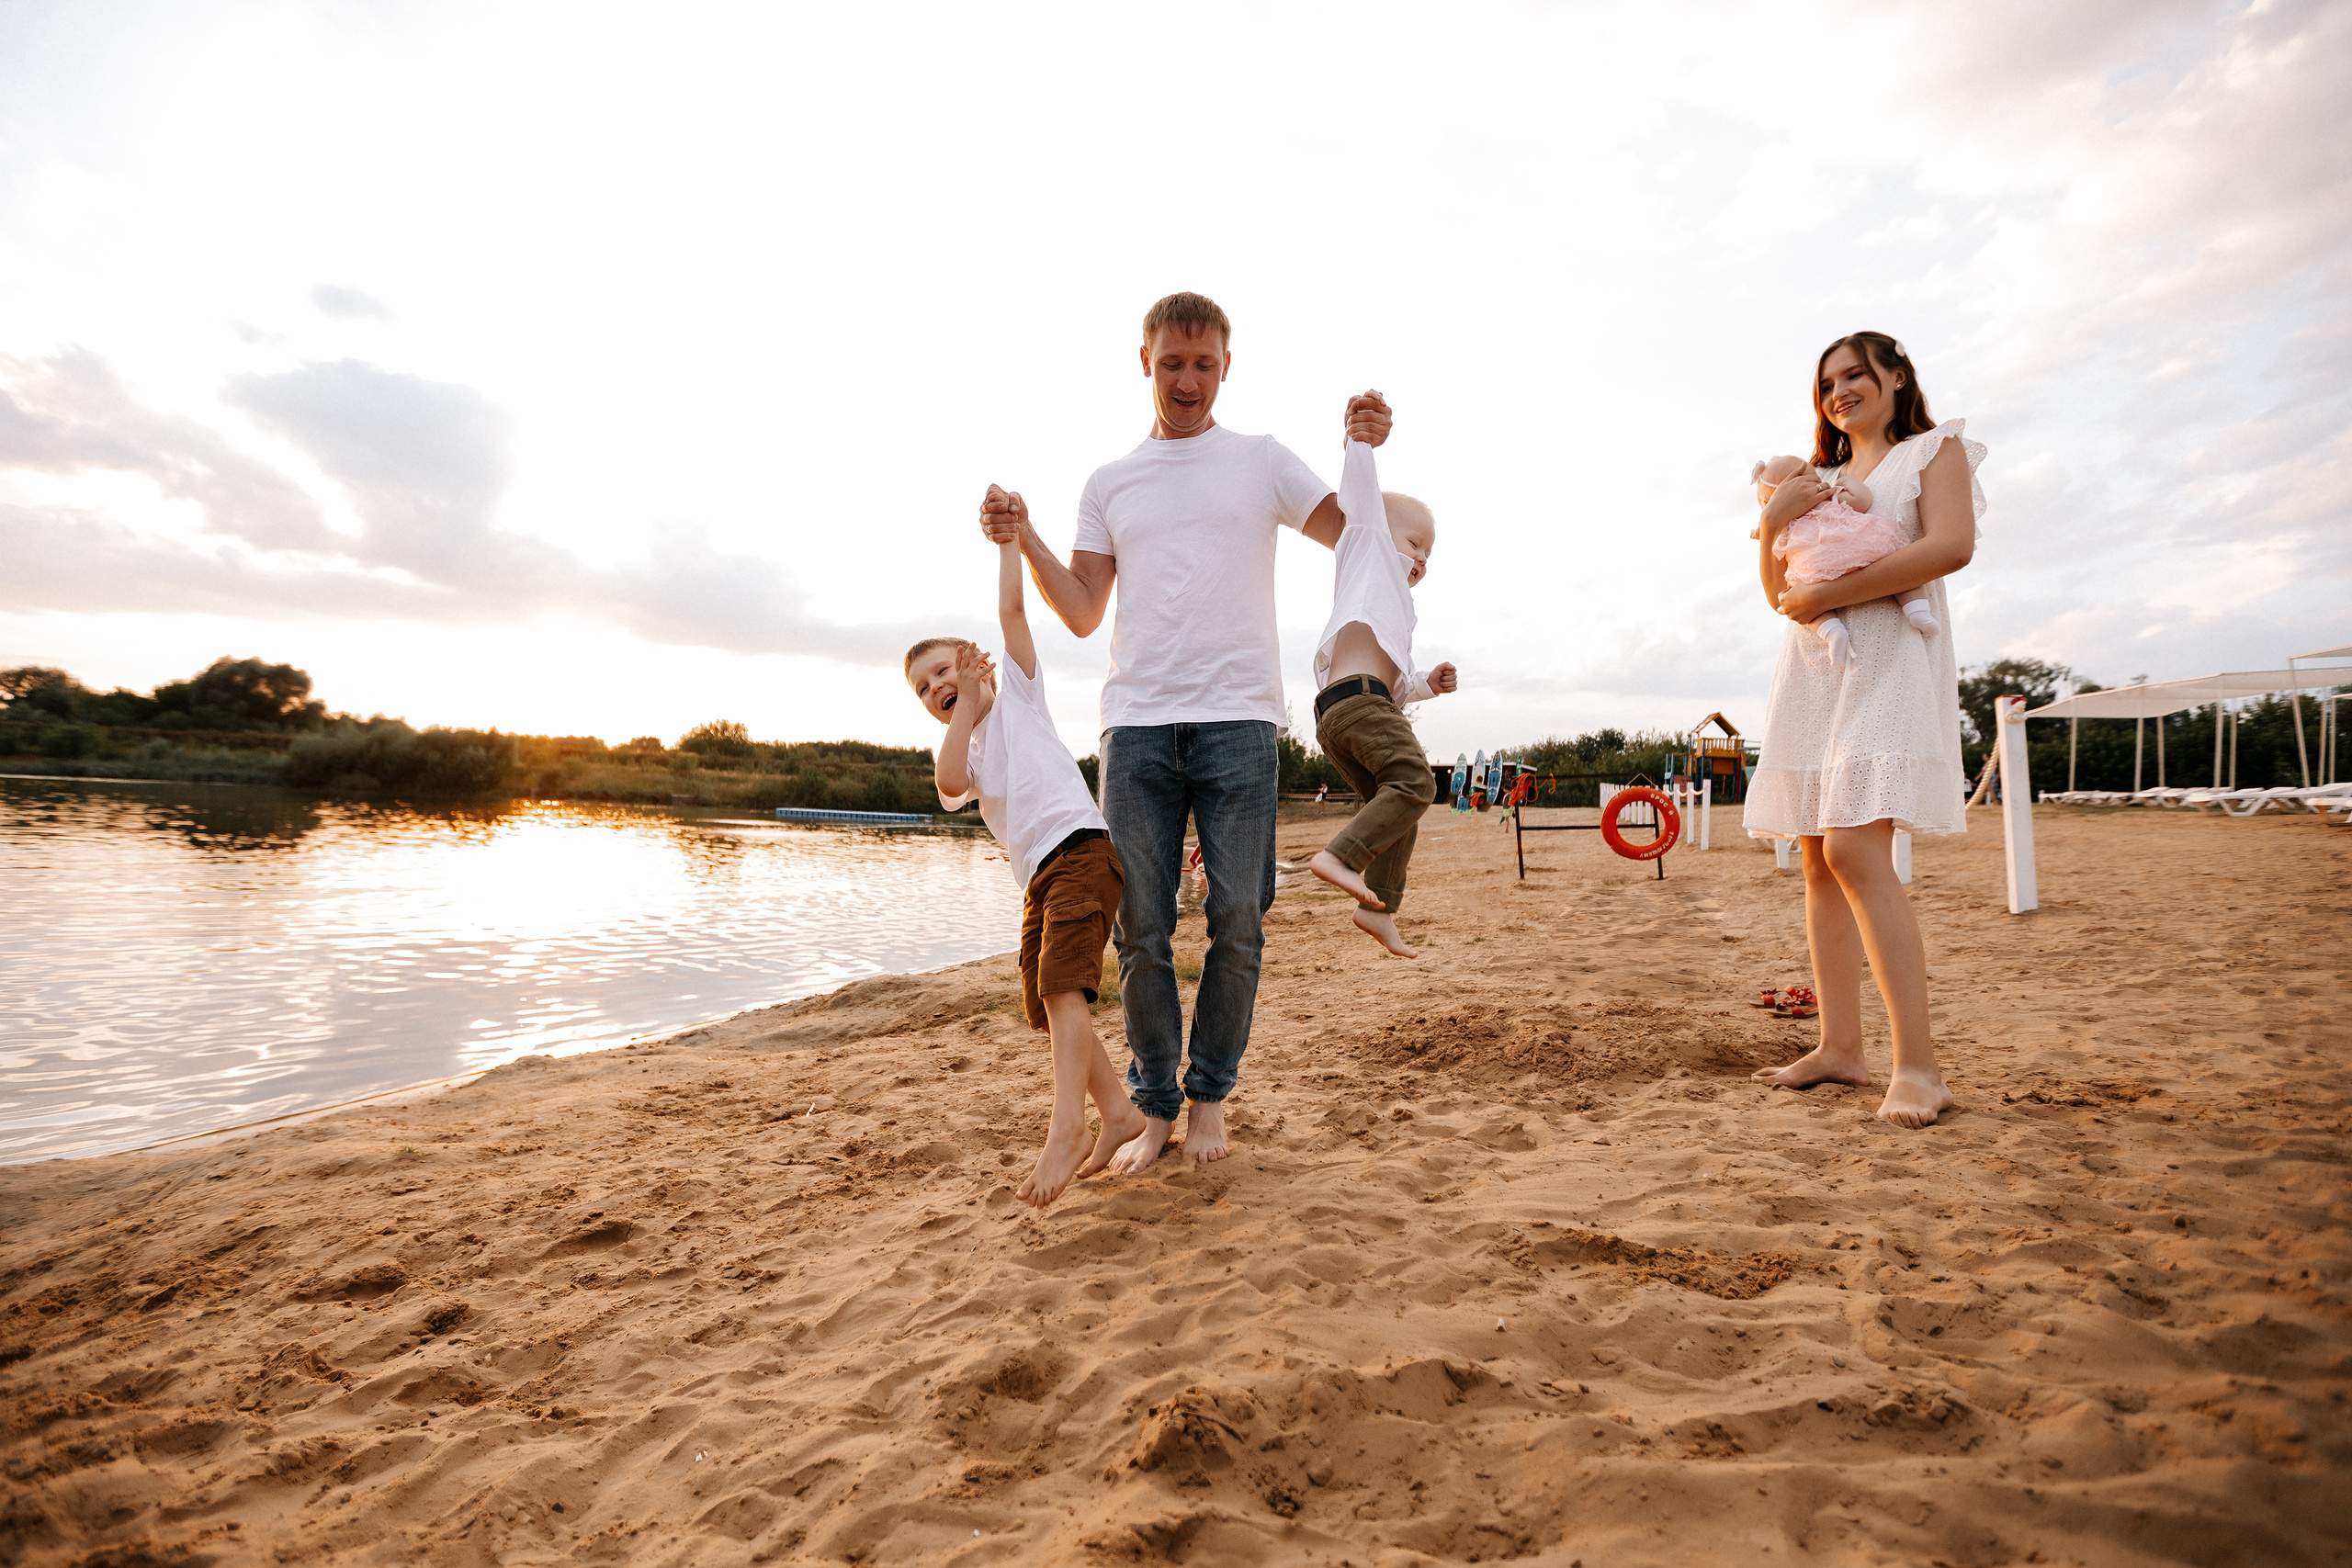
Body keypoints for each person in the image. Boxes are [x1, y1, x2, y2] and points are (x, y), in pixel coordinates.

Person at [979, 290, 1390, 1170]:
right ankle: (1154, 1105)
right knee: (1141, 928)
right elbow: (1085, 610)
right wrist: (1030, 536)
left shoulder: (1262, 460)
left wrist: (1360, 450)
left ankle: (1209, 1097)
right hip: (1135, 729)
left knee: (1241, 915)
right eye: (1172, 362)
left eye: (1204, 364)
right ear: (1145, 363)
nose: (1188, 379)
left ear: (1226, 367)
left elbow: (1355, 538)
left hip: (1240, 720)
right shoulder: (1111, 481)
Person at [1746, 331, 1984, 1129]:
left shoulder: (1932, 450)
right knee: (1816, 858)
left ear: (1896, 376)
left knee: (1852, 846)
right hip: (1813, 667)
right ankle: (1841, 1046)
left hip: (1888, 658)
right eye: (1826, 383)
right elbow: (1785, 588)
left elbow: (1951, 545)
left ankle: (1919, 1065)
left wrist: (1830, 596)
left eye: (1855, 375)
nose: (1839, 392)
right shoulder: (1820, 480)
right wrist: (1777, 520)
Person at [904, 526, 1144, 1208]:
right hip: (1040, 877)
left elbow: (1014, 612)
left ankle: (1067, 1124)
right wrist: (965, 709)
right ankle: (1118, 1113)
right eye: (926, 688)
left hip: (1080, 850)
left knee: (1066, 990)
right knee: (1046, 1004)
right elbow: (948, 783)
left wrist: (1008, 543)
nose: (939, 685)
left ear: (975, 663)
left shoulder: (1021, 696)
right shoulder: (968, 750)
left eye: (947, 669)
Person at [1305, 439, 1458, 955]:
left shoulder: (1396, 612)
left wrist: (1427, 686)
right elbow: (1361, 494)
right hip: (1357, 703)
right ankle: (1340, 857)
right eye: (1414, 543)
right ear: (1378, 531)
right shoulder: (1365, 547)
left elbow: (1394, 688)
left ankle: (1378, 908)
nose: (1420, 558)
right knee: (1417, 782)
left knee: (1396, 807)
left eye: (1427, 554)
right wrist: (1359, 440)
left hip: (1348, 709)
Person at [1748, 456, 1941, 671]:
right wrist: (1846, 483)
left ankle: (1831, 631)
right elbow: (1862, 500)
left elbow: (1782, 597)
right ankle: (1918, 609)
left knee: (1798, 591)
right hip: (1857, 549)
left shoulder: (1785, 528)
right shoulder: (1829, 498)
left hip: (1813, 568)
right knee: (1894, 557)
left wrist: (1766, 527)